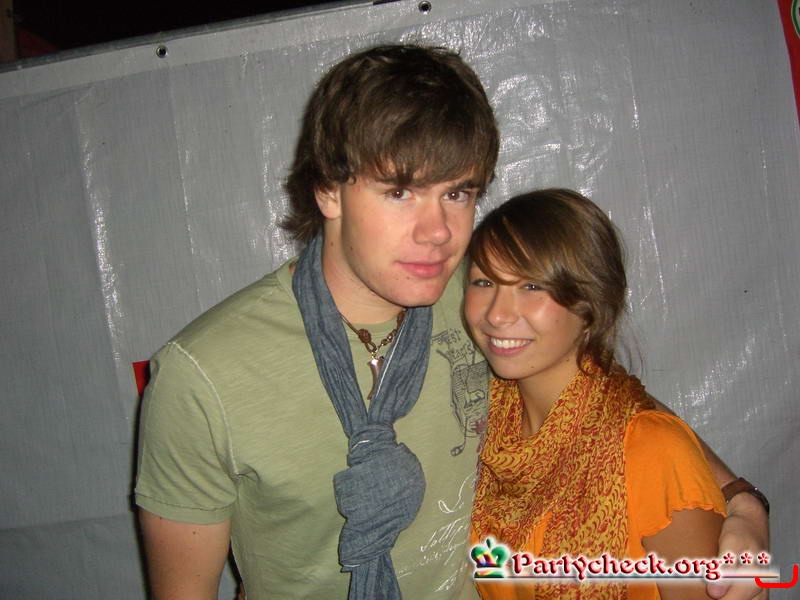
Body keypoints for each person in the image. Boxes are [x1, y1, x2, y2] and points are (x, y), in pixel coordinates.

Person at [134, 45, 768, 600]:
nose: (438, 232)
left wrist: (741, 498)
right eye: (400, 191)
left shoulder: (484, 299)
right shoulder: (203, 376)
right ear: (328, 190)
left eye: (458, 193)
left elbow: (608, 402)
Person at [465, 189, 766, 600]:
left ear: (591, 302)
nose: (497, 313)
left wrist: (745, 502)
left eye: (532, 285)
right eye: (483, 281)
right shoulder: (484, 423)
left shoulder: (651, 451)